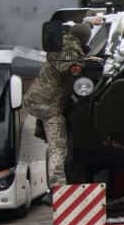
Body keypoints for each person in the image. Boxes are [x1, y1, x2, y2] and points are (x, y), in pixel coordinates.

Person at [25, 18, 95, 188]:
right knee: (59, 146)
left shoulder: (62, 43)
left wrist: (90, 20)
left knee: (54, 141)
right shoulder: (68, 50)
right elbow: (69, 69)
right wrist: (88, 61)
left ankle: (56, 183)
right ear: (82, 40)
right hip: (48, 105)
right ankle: (58, 186)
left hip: (39, 101)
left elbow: (81, 31)